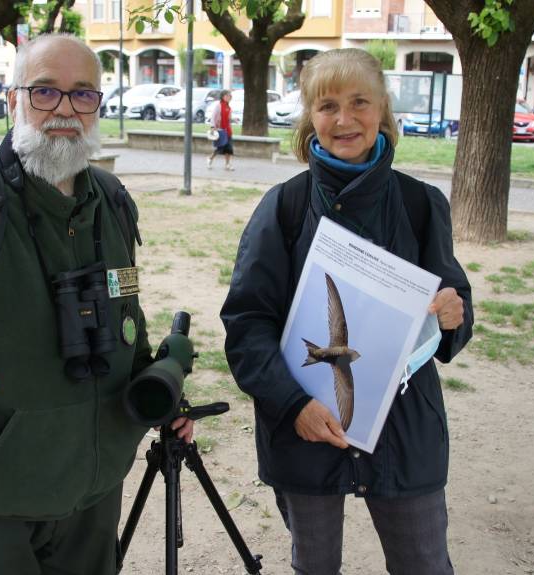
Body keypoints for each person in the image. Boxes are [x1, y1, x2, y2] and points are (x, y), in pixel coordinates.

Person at [0, 34, 193, 575]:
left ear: (99, 105)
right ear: (13, 100)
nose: (66, 110)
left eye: (83, 94)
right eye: (45, 91)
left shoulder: (112, 203)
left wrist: (151, 388)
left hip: (94, 491)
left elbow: (125, 317)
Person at [220, 48, 473, 575]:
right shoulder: (283, 207)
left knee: (424, 564)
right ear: (309, 117)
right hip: (304, 430)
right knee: (314, 566)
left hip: (405, 431)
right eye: (327, 104)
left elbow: (453, 305)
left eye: (359, 102)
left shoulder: (421, 205)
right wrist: (293, 406)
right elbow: (247, 326)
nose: (343, 119)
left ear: (382, 110)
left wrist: (453, 315)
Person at [206, 89, 235, 171]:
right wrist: (212, 127)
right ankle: (210, 159)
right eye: (227, 95)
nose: (229, 97)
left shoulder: (228, 107)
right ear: (223, 97)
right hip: (220, 130)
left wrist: (233, 120)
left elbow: (228, 119)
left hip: (228, 131)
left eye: (230, 96)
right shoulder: (218, 106)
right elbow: (213, 117)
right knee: (219, 148)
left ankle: (227, 164)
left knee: (229, 149)